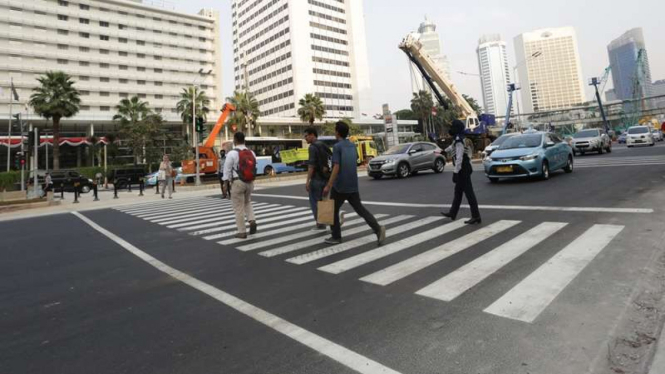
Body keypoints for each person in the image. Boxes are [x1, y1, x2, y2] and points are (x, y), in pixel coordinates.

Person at [323, 121, 385, 245]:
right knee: (360, 209)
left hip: (340, 185)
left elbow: (336, 167)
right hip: (352, 184)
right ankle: (377, 229)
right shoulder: (352, 145)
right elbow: (354, 161)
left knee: (331, 210)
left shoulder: (337, 147)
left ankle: (336, 236)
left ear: (337, 132)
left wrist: (329, 185)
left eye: (335, 130)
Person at [440, 119, 481, 224]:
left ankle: (476, 216)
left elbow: (459, 158)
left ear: (457, 128)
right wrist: (444, 151)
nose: (450, 129)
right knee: (458, 192)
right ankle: (453, 213)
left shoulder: (459, 139)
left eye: (452, 127)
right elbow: (452, 147)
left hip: (463, 168)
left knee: (469, 193)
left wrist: (455, 172)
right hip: (464, 168)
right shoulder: (459, 138)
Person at [223, 132, 257, 239]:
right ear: (244, 140)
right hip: (250, 182)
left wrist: (225, 184)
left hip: (238, 182)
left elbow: (227, 170)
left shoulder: (232, 153)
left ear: (235, 140)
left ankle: (242, 231)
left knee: (238, 208)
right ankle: (252, 220)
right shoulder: (251, 152)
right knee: (247, 202)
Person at [304, 127, 331, 230]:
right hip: (326, 177)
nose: (305, 138)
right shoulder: (324, 145)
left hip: (316, 179)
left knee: (315, 202)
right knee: (324, 201)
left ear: (312, 135)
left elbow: (311, 166)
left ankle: (320, 224)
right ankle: (323, 222)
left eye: (306, 136)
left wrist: (307, 181)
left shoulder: (312, 147)